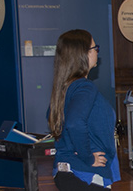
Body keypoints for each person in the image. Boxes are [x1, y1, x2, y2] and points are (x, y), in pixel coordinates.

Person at [48, 29, 120, 190]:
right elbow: (74, 123)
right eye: (95, 48)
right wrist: (88, 157)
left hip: (65, 171)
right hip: (84, 174)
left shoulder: (64, 87)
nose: (97, 53)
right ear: (83, 54)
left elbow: (54, 118)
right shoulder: (84, 87)